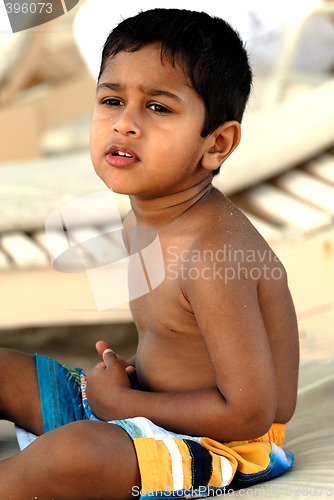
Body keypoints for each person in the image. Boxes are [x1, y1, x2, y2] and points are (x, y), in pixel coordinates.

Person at [0, 9, 299, 500]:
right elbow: (172, 337)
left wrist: (120, 403)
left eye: (158, 108)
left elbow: (253, 412)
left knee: (71, 454)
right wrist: (130, 377)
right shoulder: (140, 217)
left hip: (221, 444)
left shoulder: (213, 255)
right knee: (8, 370)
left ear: (216, 143)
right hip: (145, 405)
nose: (125, 124)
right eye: (112, 100)